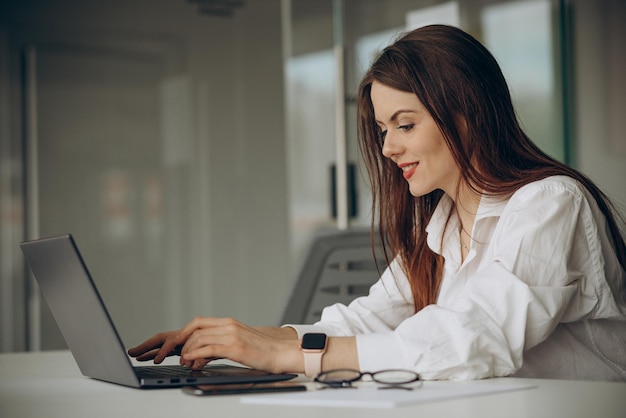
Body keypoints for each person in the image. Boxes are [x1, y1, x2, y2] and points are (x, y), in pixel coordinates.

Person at [129, 24, 626, 381]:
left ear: (469, 113)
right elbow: (364, 322)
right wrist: (241, 342)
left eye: (405, 125)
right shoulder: (443, 224)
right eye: (384, 129)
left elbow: (476, 337)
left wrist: (291, 357)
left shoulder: (550, 203)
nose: (388, 148)